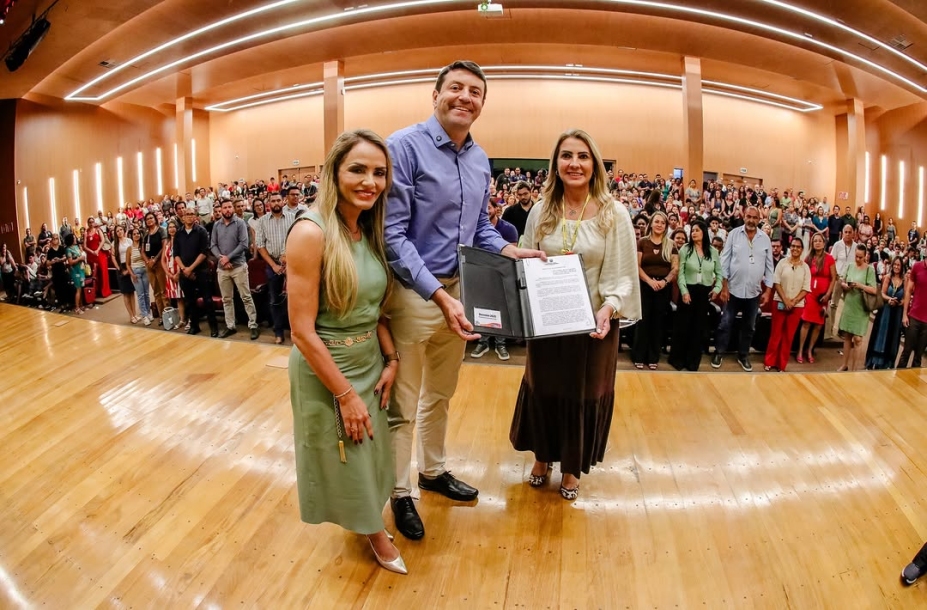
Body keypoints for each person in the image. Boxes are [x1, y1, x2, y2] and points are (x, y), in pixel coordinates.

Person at [383, 60, 544, 540]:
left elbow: (478, 230)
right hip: (414, 294)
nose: (464, 97)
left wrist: (510, 249)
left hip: (458, 291)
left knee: (442, 394)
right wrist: (435, 293)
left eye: (475, 92)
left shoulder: (479, 160)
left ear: (481, 104)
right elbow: (393, 235)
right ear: (435, 95)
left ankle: (432, 472)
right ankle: (399, 492)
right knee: (404, 403)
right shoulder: (404, 147)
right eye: (455, 88)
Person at [286, 129, 405, 575]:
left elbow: (374, 310)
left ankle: (369, 520)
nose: (369, 181)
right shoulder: (310, 233)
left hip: (369, 362)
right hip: (326, 369)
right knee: (348, 454)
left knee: (371, 453)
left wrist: (391, 360)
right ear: (334, 172)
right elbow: (301, 331)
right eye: (357, 169)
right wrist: (345, 394)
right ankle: (373, 532)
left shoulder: (366, 229)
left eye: (379, 172)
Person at [510, 129, 640, 500]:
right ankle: (542, 456)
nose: (574, 163)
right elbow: (526, 257)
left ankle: (570, 465)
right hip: (548, 323)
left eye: (582, 156)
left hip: (593, 326)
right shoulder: (541, 209)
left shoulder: (614, 214)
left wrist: (608, 307)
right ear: (556, 164)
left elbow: (622, 273)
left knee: (581, 393)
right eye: (566, 156)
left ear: (594, 164)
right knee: (543, 387)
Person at [711, 206, 774, 372]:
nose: (751, 220)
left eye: (755, 217)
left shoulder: (765, 239)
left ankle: (743, 355)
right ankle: (719, 352)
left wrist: (767, 291)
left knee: (749, 326)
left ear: (759, 219)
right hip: (733, 289)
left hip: (754, 292)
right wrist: (724, 287)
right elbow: (724, 262)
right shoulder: (733, 235)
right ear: (743, 216)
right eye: (748, 216)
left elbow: (769, 267)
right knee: (726, 323)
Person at [669, 220, 721, 371]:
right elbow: (681, 273)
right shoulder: (685, 249)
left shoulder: (713, 252)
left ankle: (693, 361)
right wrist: (684, 291)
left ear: (704, 232)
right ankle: (677, 359)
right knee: (682, 326)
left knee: (697, 328)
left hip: (704, 292)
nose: (693, 233)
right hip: (688, 290)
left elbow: (719, 273)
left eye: (697, 230)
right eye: (692, 230)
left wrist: (717, 288)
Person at [470, 198, 518, 361]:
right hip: (480, 272)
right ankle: (483, 342)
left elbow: (511, 253)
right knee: (481, 308)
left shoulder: (508, 228)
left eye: (489, 208)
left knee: (501, 309)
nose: (486, 211)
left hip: (501, 274)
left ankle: (500, 344)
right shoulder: (474, 227)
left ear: (496, 209)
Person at [631, 211, 678, 369]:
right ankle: (638, 355)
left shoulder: (671, 244)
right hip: (645, 286)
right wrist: (650, 281)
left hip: (663, 288)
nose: (659, 225)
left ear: (666, 226)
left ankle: (653, 357)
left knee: (658, 323)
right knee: (643, 321)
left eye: (662, 223)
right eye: (657, 221)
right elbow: (636, 266)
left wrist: (664, 281)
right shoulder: (642, 242)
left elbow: (674, 269)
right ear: (651, 223)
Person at [210, 199, 259, 340]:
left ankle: (253, 325)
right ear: (221, 209)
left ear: (233, 208)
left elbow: (244, 244)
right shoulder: (216, 225)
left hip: (238, 266)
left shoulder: (240, 223)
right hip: (222, 268)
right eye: (224, 207)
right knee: (227, 299)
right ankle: (230, 325)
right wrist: (222, 259)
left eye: (229, 207)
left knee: (246, 297)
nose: (227, 210)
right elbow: (213, 245)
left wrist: (228, 258)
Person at [763, 239, 810, 372]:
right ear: (790, 248)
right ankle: (769, 361)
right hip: (779, 302)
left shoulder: (805, 267)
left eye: (798, 247)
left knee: (788, 336)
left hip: (797, 306)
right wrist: (785, 300)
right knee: (775, 333)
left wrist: (793, 302)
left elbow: (806, 288)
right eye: (793, 246)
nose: (795, 249)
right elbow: (776, 282)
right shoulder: (782, 263)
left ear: (802, 249)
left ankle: (781, 364)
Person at [174, 207, 219, 337]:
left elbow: (204, 253)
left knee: (207, 300)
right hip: (185, 272)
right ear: (182, 218)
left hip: (201, 271)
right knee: (190, 301)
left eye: (192, 214)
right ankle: (194, 326)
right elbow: (176, 254)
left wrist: (191, 268)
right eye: (187, 214)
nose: (189, 216)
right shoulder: (179, 233)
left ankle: (213, 327)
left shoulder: (201, 231)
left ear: (196, 217)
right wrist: (184, 269)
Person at [256, 192, 293, 344]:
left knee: (294, 299)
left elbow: (298, 239)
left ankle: (296, 332)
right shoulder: (262, 221)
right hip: (272, 265)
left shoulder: (293, 218)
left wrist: (288, 258)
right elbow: (260, 245)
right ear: (269, 204)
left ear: (283, 201)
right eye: (273, 201)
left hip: (292, 263)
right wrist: (274, 265)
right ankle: (278, 333)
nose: (276, 203)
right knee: (275, 300)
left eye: (278, 200)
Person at [796, 233, 836, 364]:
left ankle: (810, 350)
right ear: (812, 243)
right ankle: (800, 350)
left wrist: (828, 295)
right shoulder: (809, 258)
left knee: (818, 325)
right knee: (806, 322)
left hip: (823, 296)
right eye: (815, 241)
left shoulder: (829, 259)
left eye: (820, 241)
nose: (817, 243)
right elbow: (803, 275)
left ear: (824, 243)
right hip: (810, 294)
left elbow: (833, 278)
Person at [836, 245, 878, 371]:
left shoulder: (869, 270)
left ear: (865, 256)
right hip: (849, 303)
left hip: (861, 306)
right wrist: (845, 286)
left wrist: (860, 285)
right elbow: (842, 281)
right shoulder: (849, 266)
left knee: (858, 338)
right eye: (856, 256)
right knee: (847, 336)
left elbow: (874, 290)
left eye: (860, 257)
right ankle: (844, 364)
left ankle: (854, 368)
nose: (858, 259)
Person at [865, 256, 906, 369]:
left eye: (899, 265)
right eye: (895, 264)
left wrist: (900, 303)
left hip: (897, 312)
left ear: (902, 266)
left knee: (893, 336)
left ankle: (887, 363)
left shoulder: (904, 280)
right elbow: (882, 294)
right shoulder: (887, 277)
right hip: (886, 311)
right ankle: (875, 361)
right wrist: (889, 299)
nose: (896, 267)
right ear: (892, 266)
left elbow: (905, 298)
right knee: (881, 334)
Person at [827, 225, 860, 340]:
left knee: (848, 306)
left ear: (853, 233)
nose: (847, 234)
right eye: (845, 232)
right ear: (842, 233)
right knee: (833, 304)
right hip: (838, 277)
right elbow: (831, 261)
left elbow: (858, 263)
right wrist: (834, 275)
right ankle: (830, 329)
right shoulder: (837, 245)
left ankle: (842, 330)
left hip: (850, 280)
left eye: (849, 232)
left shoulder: (857, 247)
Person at [898, 254, 927, 368]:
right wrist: (905, 314)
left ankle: (913, 385)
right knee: (906, 352)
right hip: (914, 316)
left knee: (918, 357)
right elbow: (909, 291)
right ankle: (898, 383)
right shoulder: (917, 266)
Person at [141, 212, 167, 322]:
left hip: (160, 263)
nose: (149, 220)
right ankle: (161, 316)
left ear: (155, 219)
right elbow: (142, 251)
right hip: (149, 265)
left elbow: (164, 246)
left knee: (163, 291)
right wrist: (148, 261)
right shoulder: (146, 234)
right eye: (147, 219)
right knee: (155, 291)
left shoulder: (161, 230)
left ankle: (167, 315)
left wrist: (155, 259)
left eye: (151, 218)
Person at [112, 225, 139, 323]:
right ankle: (131, 315)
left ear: (124, 231)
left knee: (132, 292)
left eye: (121, 230)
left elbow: (133, 252)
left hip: (130, 265)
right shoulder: (114, 243)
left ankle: (135, 314)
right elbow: (113, 257)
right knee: (126, 293)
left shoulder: (129, 241)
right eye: (117, 231)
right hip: (121, 266)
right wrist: (119, 268)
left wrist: (130, 267)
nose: (119, 232)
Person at [162, 219, 185, 329]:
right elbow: (163, 260)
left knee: (184, 296)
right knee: (177, 298)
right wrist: (169, 274)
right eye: (169, 227)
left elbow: (184, 257)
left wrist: (178, 273)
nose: (171, 229)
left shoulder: (181, 240)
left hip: (180, 271)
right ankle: (181, 319)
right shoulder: (166, 242)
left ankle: (188, 319)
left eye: (173, 227)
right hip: (170, 273)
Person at [127, 228, 152, 325]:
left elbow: (147, 258)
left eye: (138, 233)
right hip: (136, 272)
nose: (136, 235)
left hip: (145, 271)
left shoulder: (143, 246)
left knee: (146, 293)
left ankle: (148, 312)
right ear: (132, 236)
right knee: (140, 295)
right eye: (134, 234)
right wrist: (132, 274)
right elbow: (128, 264)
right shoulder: (129, 249)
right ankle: (144, 315)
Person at [83, 218, 112, 298]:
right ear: (88, 223)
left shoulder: (98, 230)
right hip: (91, 254)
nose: (91, 223)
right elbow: (84, 246)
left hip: (99, 253)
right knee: (94, 274)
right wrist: (92, 252)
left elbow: (102, 240)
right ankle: (95, 291)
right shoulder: (86, 232)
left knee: (103, 271)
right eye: (90, 222)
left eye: (92, 222)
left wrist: (97, 250)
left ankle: (104, 291)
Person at [45, 234, 72, 310]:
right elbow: (47, 263)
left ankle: (67, 303)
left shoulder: (61, 248)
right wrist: (52, 262)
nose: (55, 240)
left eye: (56, 238)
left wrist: (60, 259)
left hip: (62, 269)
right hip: (55, 271)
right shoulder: (50, 251)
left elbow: (65, 257)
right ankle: (61, 304)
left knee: (65, 286)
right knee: (58, 288)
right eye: (53, 239)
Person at [64, 233, 86, 314]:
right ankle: (77, 307)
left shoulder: (77, 247)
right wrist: (79, 258)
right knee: (78, 288)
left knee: (81, 287)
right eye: (74, 238)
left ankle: (81, 305)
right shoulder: (68, 250)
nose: (75, 239)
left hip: (81, 269)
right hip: (75, 270)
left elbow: (80, 255)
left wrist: (82, 258)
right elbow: (70, 262)